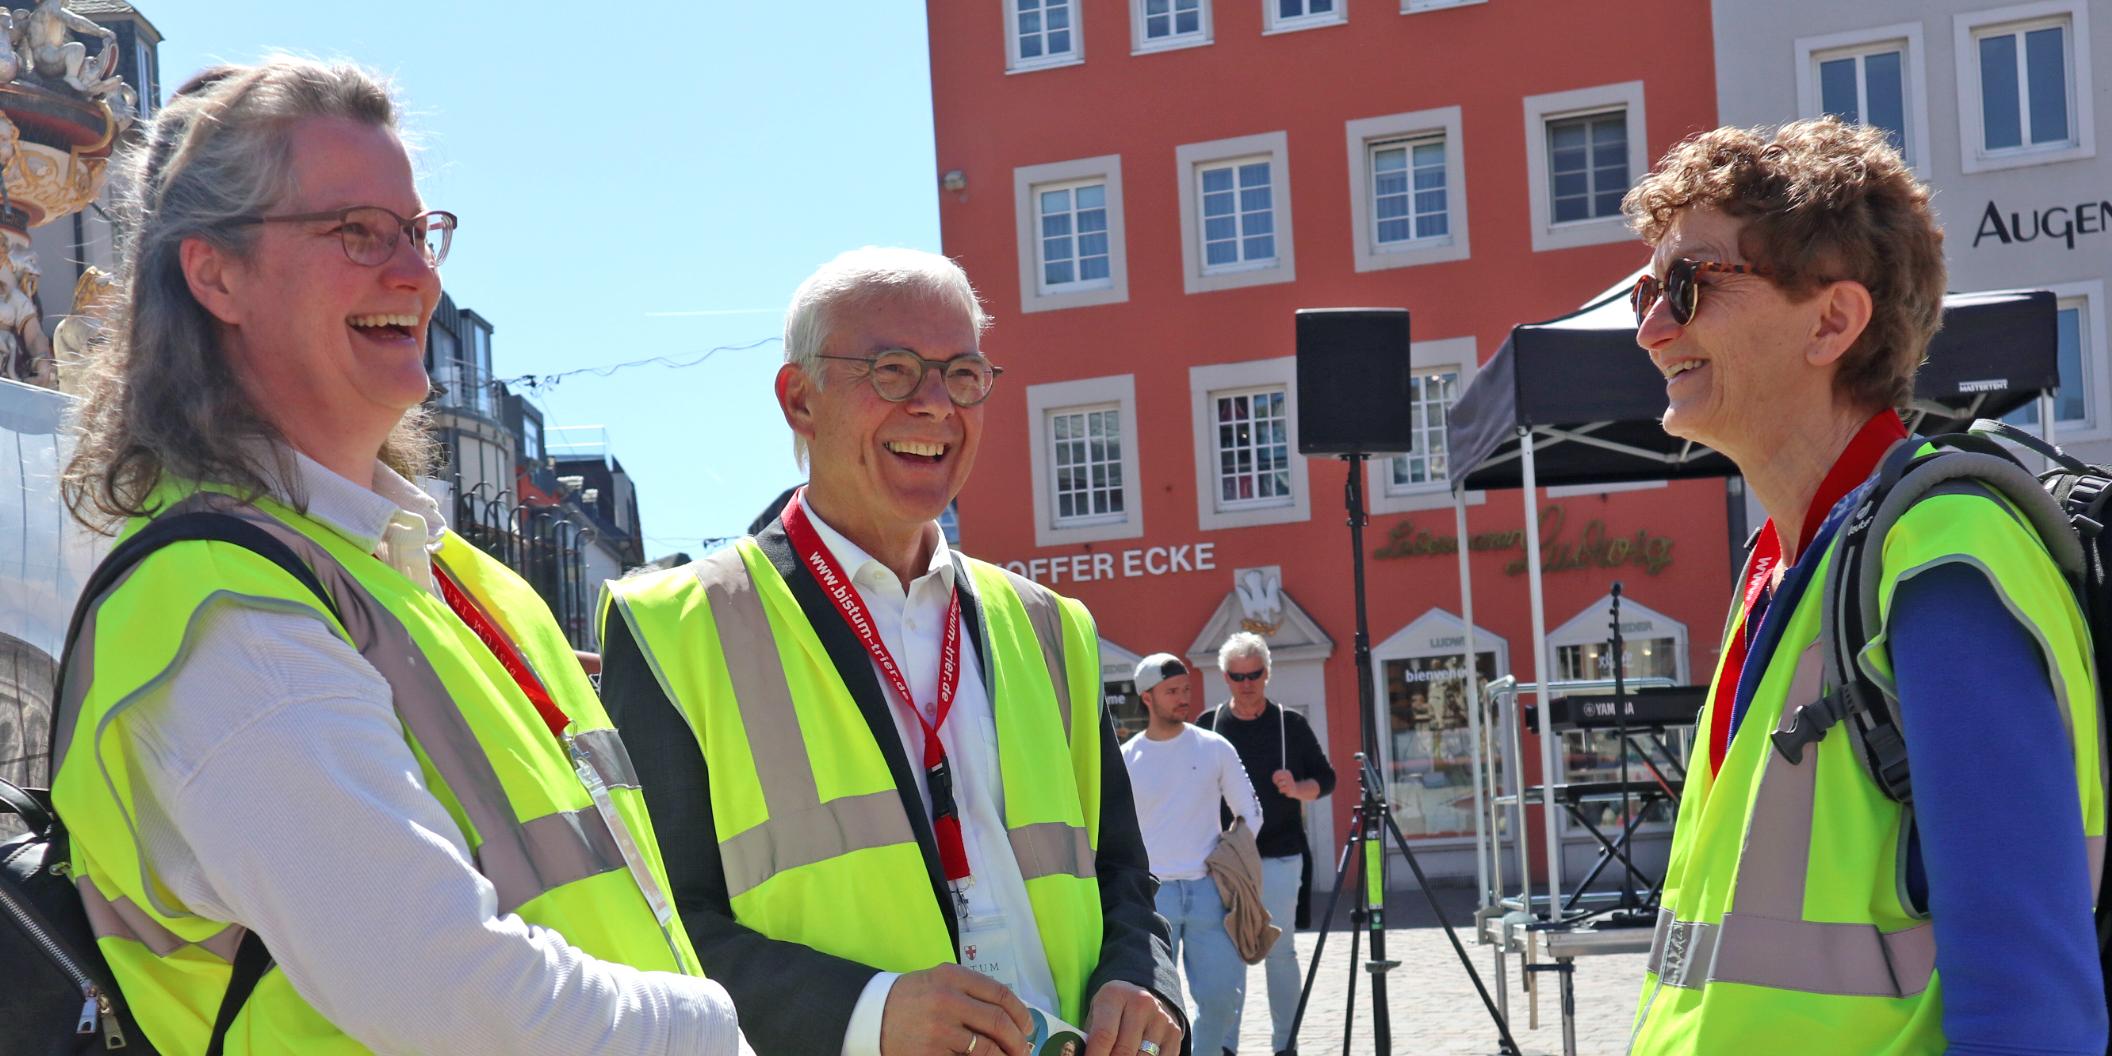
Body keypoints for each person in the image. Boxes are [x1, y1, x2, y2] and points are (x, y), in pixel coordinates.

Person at [49, 59, 744, 1054]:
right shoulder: (220, 609)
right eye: (358, 233)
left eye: (419, 233)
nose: (416, 274)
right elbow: (445, 990)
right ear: (216, 275)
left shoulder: (461, 581)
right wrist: (717, 1033)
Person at [598, 247, 1184, 1056]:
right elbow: (655, 928)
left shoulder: (1053, 625)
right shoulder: (675, 626)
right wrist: (866, 1014)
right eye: (894, 371)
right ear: (800, 399)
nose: (937, 406)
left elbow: (1122, 871)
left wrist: (1141, 978)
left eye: (963, 374)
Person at [1622, 117, 2105, 1053]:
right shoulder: (1785, 565)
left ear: (1834, 320)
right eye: (1648, 290)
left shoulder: (1941, 556)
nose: (1650, 328)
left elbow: (2028, 1004)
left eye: (1687, 285)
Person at [1195, 632, 1334, 1056]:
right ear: (1225, 677)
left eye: (1254, 674)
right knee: (1228, 953)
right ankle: (1224, 1046)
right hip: (1223, 860)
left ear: (1267, 673)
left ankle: (1284, 1044)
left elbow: (1325, 781)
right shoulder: (1209, 724)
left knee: (1280, 951)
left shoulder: (1290, 725)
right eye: (1237, 676)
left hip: (1279, 853)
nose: (1246, 683)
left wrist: (1296, 788)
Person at [1120, 653, 1262, 1056]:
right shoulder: (1128, 759)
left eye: (1186, 689)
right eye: (1172, 691)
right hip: (1152, 898)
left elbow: (1250, 813)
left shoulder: (1214, 747)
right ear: (1147, 697)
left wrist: (1230, 861)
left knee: (1221, 998)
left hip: (1209, 893)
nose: (1183, 697)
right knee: (1158, 1006)